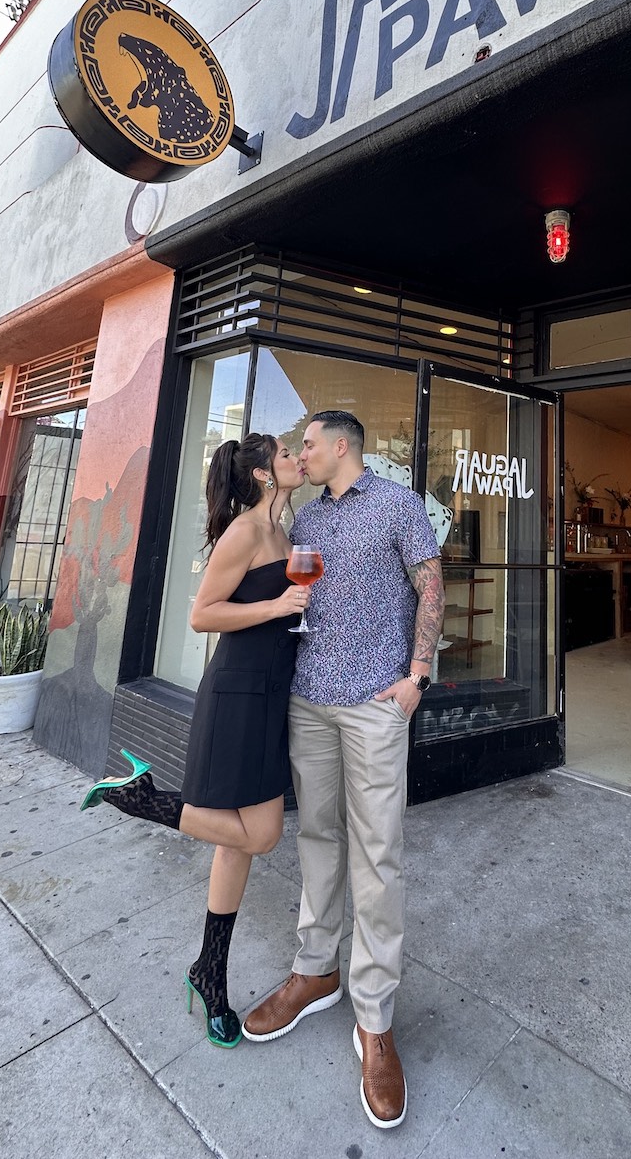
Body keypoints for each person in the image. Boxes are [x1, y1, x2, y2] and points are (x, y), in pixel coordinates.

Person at [241, 409, 444, 1131]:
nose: (301, 453)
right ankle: (313, 970)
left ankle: (375, 1018)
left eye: (307, 445)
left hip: (373, 703)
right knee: (317, 840)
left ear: (339, 447)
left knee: (378, 854)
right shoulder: (305, 519)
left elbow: (430, 583)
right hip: (309, 701)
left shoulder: (397, 504)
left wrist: (416, 675)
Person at [79, 432, 310, 1047]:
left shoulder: (284, 531)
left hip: (266, 695)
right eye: (287, 454)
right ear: (264, 475)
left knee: (234, 843)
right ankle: (142, 797)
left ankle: (210, 974)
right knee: (260, 834)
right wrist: (277, 608)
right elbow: (202, 613)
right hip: (238, 695)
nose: (297, 459)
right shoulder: (246, 532)